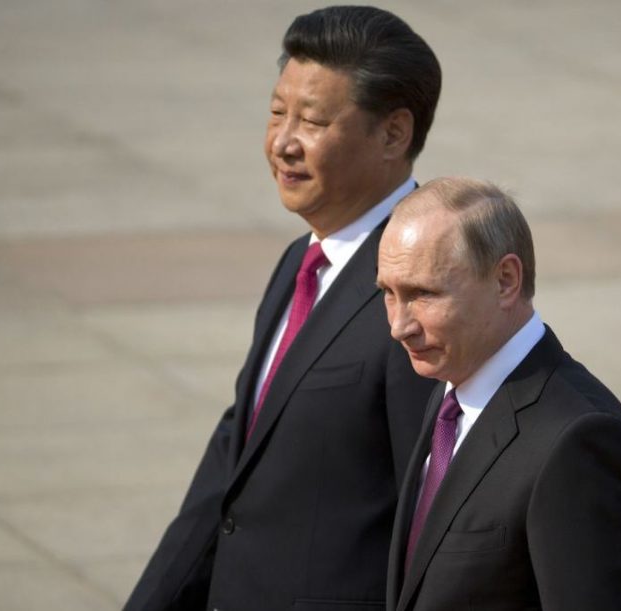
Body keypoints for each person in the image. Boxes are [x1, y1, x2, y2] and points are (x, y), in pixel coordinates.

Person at [124, 7, 441, 611]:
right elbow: (230, 470)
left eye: (313, 121)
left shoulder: (422, 290)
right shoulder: (300, 261)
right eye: (277, 113)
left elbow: (431, 517)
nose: (283, 143)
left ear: (394, 134)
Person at [376, 177, 621, 611]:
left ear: (506, 280)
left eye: (423, 294)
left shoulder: (579, 442)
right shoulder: (451, 394)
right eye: (389, 294)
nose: (400, 325)